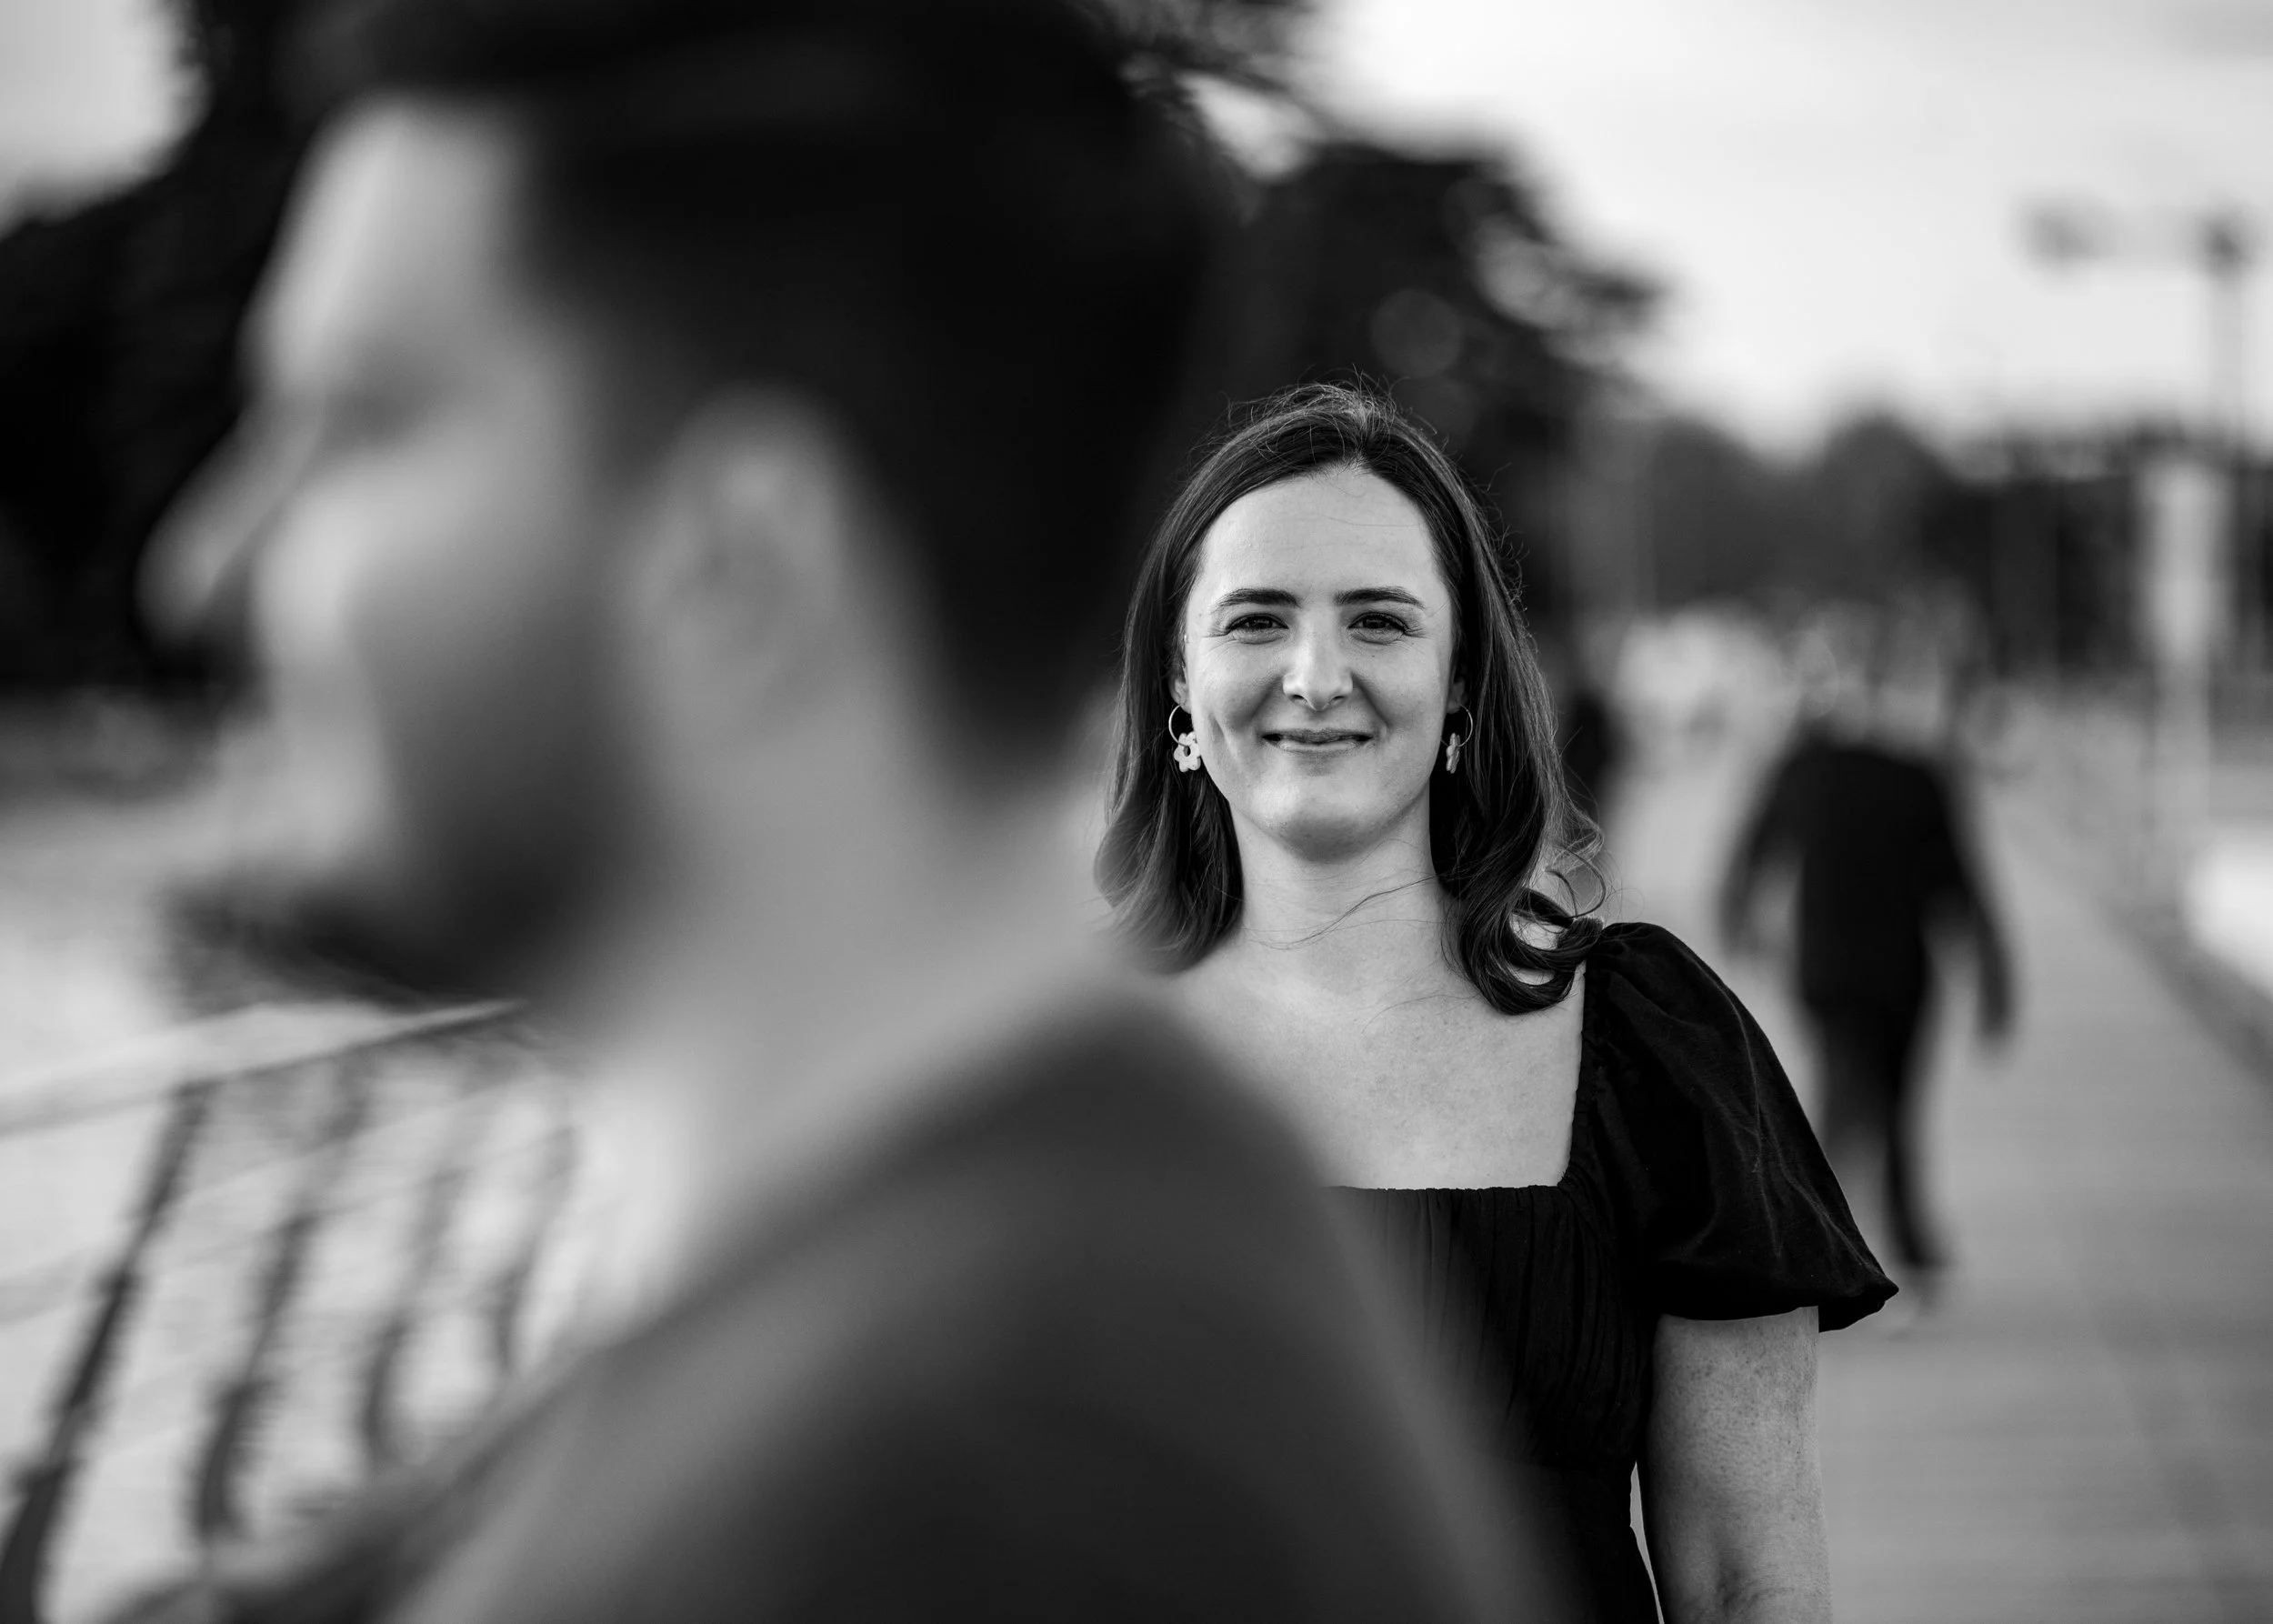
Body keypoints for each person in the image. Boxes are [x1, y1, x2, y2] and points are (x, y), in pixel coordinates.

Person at [115, 5, 1558, 1619]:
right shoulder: (1009, 1281)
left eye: (361, 422)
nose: (207, 563)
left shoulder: (984, 1476)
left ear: (739, 564)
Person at [1097, 383, 1896, 1624]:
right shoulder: (1040, 1071)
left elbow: (1749, 1581)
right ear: (1175, 681)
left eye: (1379, 620)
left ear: (1462, 678)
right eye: (1257, 619)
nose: (1316, 675)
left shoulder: (1648, 1048)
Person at [1719, 604, 2015, 1304]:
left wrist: (1739, 918)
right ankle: (1886, 1250)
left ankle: (1839, 1247)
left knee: (1856, 1103)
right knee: (1881, 1105)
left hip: (1830, 968)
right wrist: (1995, 980)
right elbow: (1962, 888)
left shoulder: (1810, 767)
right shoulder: (1916, 773)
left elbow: (1751, 855)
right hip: (1894, 973)